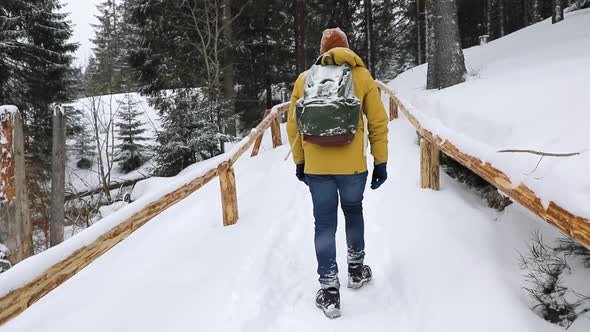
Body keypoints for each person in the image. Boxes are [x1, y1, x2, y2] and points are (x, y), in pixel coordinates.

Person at [287, 28, 389, 318]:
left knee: (324, 224)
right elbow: (378, 123)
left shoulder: (305, 79)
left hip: (317, 167)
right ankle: (356, 271)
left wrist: (300, 161)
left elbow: (293, 126)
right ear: (347, 49)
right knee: (354, 211)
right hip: (353, 166)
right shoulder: (362, 77)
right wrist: (380, 161)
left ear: (322, 51)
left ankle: (329, 292)